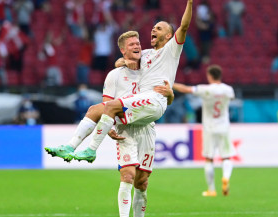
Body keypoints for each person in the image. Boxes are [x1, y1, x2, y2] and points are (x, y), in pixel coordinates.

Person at [47, 31, 173, 217]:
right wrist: (111, 126)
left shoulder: (150, 67)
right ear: (122, 50)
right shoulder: (114, 76)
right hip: (125, 128)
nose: (137, 46)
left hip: (146, 128)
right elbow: (107, 105)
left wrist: (171, 94)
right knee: (127, 175)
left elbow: (163, 97)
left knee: (142, 183)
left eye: (138, 43)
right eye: (131, 44)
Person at [44, 0, 192, 163]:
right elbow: (121, 61)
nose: (153, 29)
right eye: (153, 27)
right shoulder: (146, 54)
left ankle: (91, 150)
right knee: (95, 110)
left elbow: (184, 26)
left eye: (158, 28)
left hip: (155, 100)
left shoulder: (171, 50)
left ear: (169, 35)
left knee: (112, 105)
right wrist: (121, 62)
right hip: (143, 101)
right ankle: (70, 147)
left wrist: (190, 2)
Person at [173, 65, 235, 197]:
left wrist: (171, 84)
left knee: (209, 158)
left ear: (210, 76)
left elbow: (186, 89)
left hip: (209, 127)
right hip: (224, 127)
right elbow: (232, 98)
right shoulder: (228, 89)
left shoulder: (205, 89)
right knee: (226, 156)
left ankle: (211, 189)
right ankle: (225, 177)